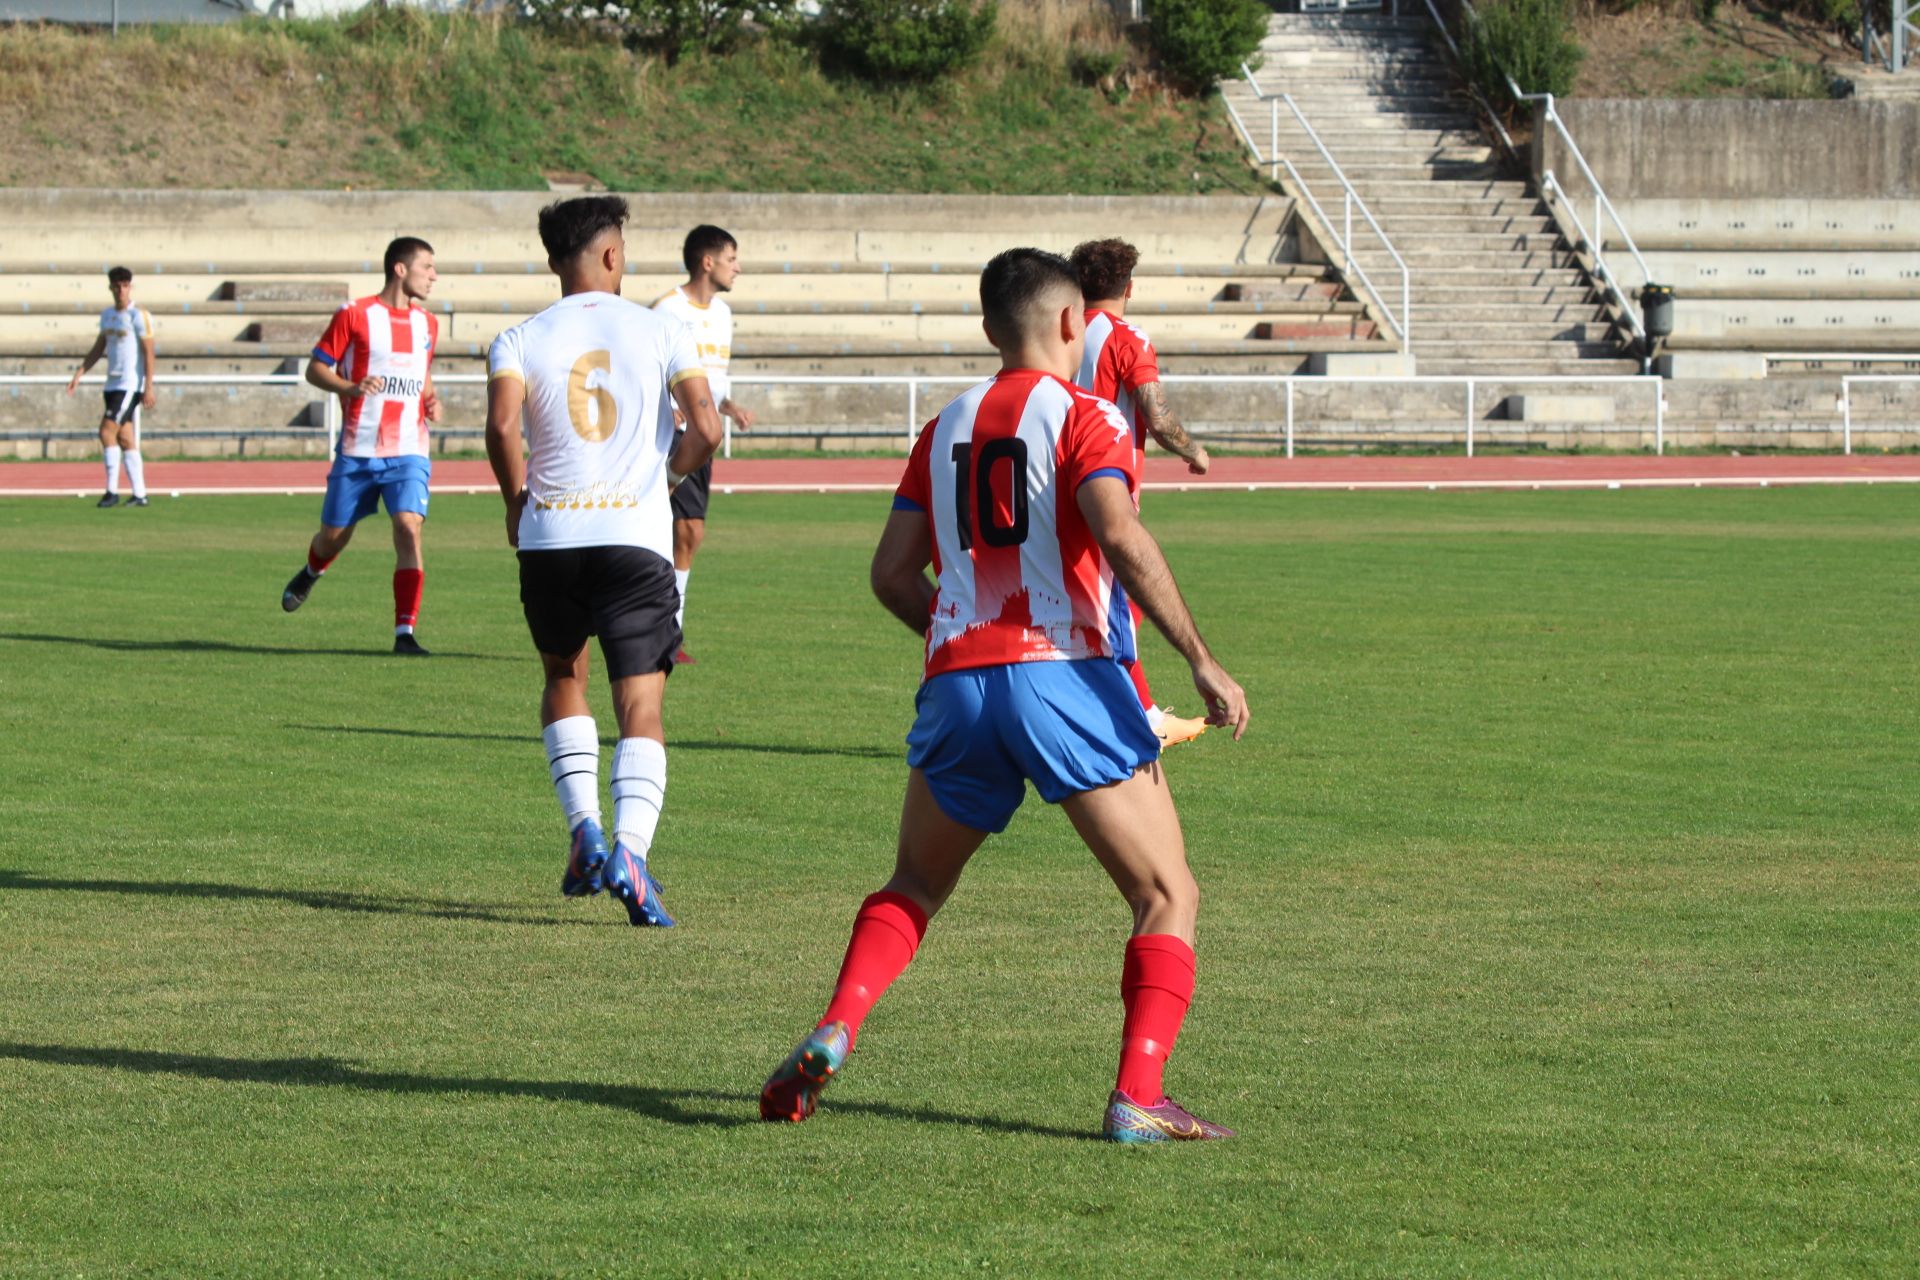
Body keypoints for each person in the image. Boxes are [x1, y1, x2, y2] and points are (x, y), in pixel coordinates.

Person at [759, 248, 1251, 1143]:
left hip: (958, 684)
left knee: (914, 883)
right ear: (1075, 323)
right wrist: (1202, 660)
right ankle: (1139, 1096)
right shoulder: (1088, 416)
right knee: (1166, 894)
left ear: (990, 330)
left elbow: (890, 574)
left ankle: (838, 1024)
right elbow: (1118, 532)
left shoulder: (942, 426)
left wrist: (960, 637)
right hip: (1063, 676)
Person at [484, 196, 725, 928]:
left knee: (564, 676)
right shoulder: (661, 329)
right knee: (641, 704)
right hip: (634, 538)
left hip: (551, 537)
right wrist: (668, 478)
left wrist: (515, 499)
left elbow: (500, 427)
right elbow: (706, 425)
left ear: (555, 260)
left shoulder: (517, 338)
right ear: (613, 257)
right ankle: (631, 851)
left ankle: (582, 826)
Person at [1069, 237, 1213, 749]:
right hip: (1105, 483)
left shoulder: (1056, 333)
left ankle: (1119, 706)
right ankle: (1144, 715)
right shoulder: (1129, 339)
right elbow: (1157, 414)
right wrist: (1193, 451)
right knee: (1124, 598)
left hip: (1051, 480)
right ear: (1129, 288)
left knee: (1105, 600)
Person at [279, 236, 442, 655]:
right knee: (334, 536)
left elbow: (420, 372)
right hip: (359, 449)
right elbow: (315, 369)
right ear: (400, 269)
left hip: (409, 448)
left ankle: (404, 633)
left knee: (408, 527)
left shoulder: (429, 324)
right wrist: (349, 387)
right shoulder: (355, 315)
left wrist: (429, 397)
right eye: (428, 267)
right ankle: (313, 569)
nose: (434, 276)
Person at [649, 225, 755, 665]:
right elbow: (647, 364)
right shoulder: (667, 309)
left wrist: (727, 405)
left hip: (704, 430)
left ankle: (666, 632)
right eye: (732, 259)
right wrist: (664, 404)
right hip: (674, 434)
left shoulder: (724, 313)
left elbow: (710, 376)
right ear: (707, 262)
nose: (738, 267)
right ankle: (665, 635)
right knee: (679, 529)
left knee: (688, 533)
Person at [64, 266, 154, 509]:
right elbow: (99, 347)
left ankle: (111, 491)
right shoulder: (107, 316)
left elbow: (149, 352)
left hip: (129, 385)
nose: (121, 290)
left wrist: (149, 386)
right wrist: (80, 372)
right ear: (111, 287)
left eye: (125, 285)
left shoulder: (139, 316)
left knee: (106, 431)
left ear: (130, 287)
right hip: (112, 384)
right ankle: (140, 494)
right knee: (125, 438)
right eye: (117, 285)